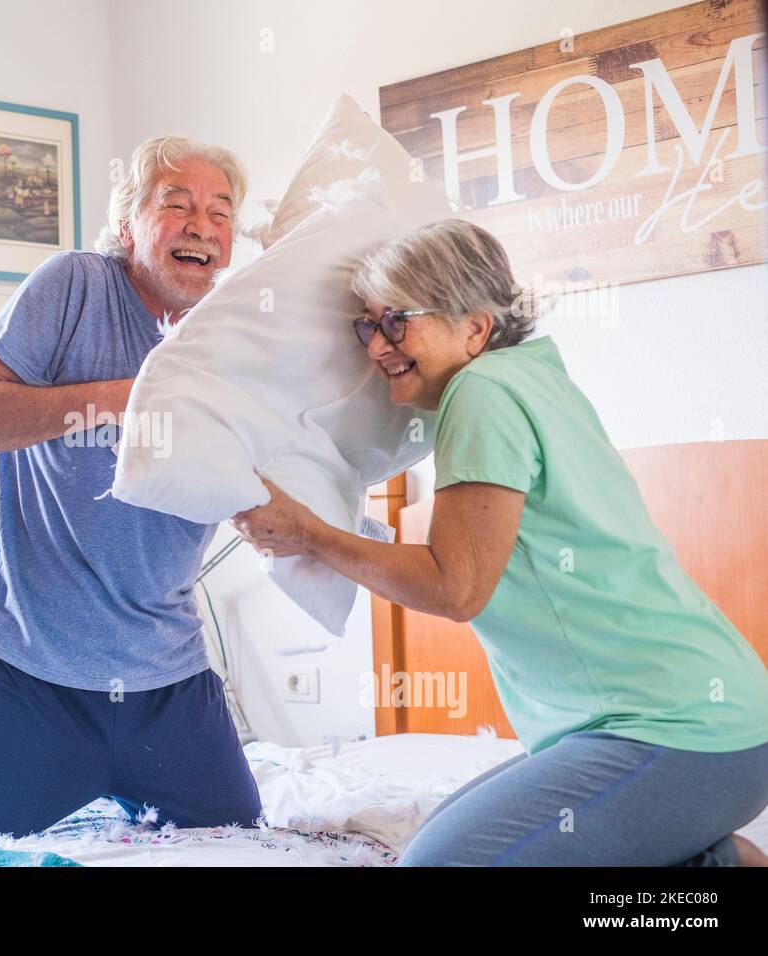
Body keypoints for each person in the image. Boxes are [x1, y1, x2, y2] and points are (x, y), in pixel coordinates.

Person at [230, 218, 768, 866]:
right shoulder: (530, 375)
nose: (377, 346)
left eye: (396, 321)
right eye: (368, 325)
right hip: (711, 723)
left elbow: (454, 587)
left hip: (680, 729)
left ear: (475, 327)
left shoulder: (482, 392)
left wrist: (309, 535)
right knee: (427, 851)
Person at [0, 136, 263, 843]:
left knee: (239, 839)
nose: (203, 225)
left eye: (220, 212)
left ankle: (108, 785)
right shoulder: (74, 283)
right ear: (129, 224)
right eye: (178, 204)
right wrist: (125, 396)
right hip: (27, 665)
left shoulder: (229, 342)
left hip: (165, 674)